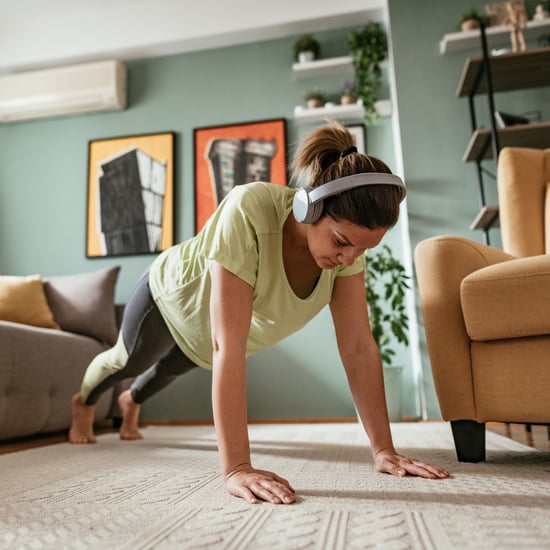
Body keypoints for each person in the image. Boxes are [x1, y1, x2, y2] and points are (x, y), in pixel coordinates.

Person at [69, 119, 449, 505]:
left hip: (205, 339)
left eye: (362, 250)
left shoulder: (346, 256)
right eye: (341, 241)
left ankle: (129, 403)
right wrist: (237, 467)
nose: (349, 258)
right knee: (128, 361)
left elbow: (357, 347)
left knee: (164, 372)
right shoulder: (249, 208)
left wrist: (383, 449)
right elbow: (226, 344)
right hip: (170, 299)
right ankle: (82, 404)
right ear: (308, 206)